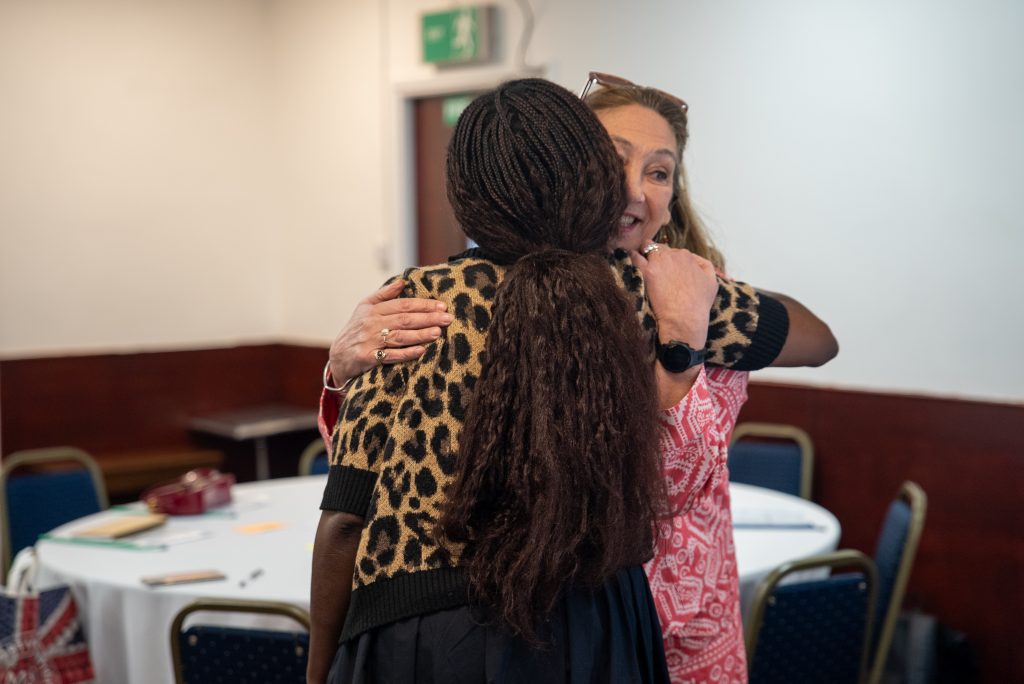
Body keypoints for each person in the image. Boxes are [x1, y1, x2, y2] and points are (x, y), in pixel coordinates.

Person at [320, 74, 838, 683]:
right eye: (613, 161)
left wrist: (694, 312)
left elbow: (350, 505)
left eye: (659, 172)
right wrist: (338, 368)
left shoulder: (673, 292)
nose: (633, 190)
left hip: (661, 610)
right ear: (571, 166)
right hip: (602, 616)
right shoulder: (632, 294)